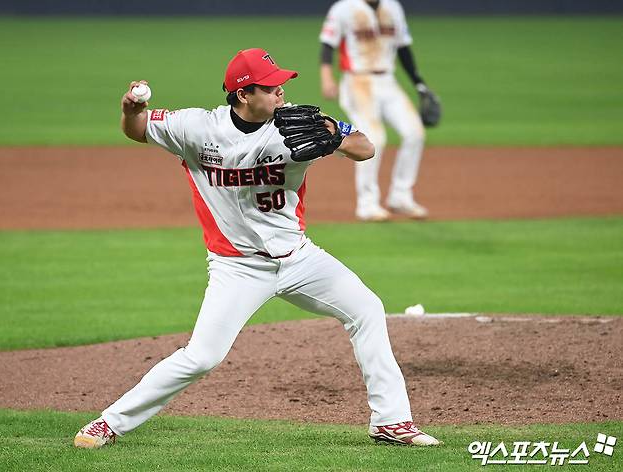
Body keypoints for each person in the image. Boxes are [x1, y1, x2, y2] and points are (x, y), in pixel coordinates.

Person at [73, 48, 440, 448]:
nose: (282, 92)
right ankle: (108, 423)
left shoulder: (300, 122)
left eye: (282, 84)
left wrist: (334, 131)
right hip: (238, 268)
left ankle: (391, 422)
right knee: (202, 357)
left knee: (366, 309)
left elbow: (366, 148)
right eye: (271, 86)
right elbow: (139, 128)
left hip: (300, 259)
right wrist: (130, 110)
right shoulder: (198, 128)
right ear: (244, 94)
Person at [320, 0, 439, 221]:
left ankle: (400, 196)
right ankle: (367, 204)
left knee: (415, 133)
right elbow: (328, 44)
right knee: (374, 137)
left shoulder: (393, 8)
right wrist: (327, 78)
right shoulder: (344, 8)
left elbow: (403, 48)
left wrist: (419, 83)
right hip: (357, 81)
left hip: (388, 80)